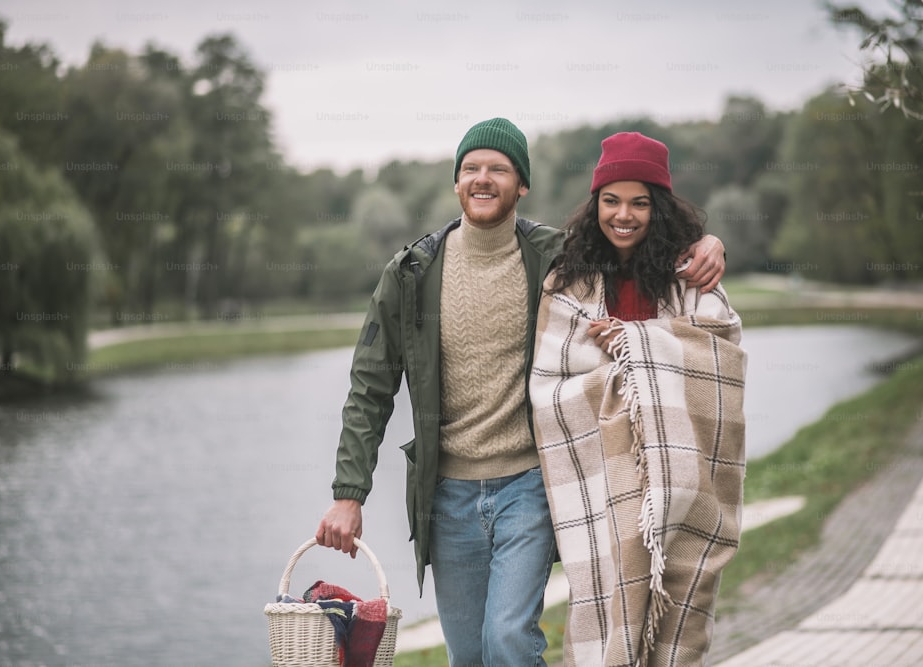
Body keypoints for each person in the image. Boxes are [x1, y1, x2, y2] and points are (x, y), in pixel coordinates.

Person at [315, 119, 727, 667]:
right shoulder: (411, 273)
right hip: (446, 497)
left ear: (522, 184)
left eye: (499, 169)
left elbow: (633, 240)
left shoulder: (557, 257)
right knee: (467, 656)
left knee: (507, 642)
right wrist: (349, 492)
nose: (483, 179)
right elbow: (369, 390)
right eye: (472, 169)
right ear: (456, 182)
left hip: (531, 485)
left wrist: (706, 242)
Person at [529, 132, 747, 666]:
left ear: (659, 207)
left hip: (682, 476)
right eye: (611, 200)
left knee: (680, 608)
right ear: (595, 203)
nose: (623, 214)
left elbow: (721, 356)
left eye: (639, 202)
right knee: (607, 601)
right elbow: (550, 388)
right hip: (607, 480)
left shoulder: (689, 275)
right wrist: (627, 360)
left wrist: (634, 343)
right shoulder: (569, 281)